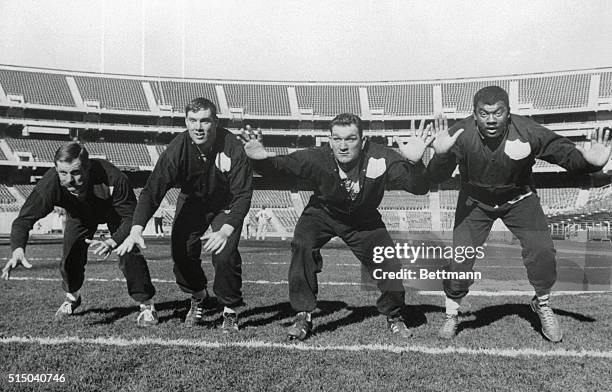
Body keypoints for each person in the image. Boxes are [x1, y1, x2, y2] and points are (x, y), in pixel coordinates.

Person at [427, 86, 611, 342]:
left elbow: (563, 153)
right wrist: (441, 156)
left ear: (509, 113)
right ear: (474, 114)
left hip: (520, 199)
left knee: (543, 250)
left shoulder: (528, 130)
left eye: (498, 113)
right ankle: (452, 313)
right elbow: (434, 177)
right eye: (484, 113)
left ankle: (542, 303)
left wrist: (590, 162)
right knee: (461, 260)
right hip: (475, 202)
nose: (491, 119)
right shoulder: (460, 133)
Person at [241, 113, 433, 340]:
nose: (342, 146)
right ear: (329, 140)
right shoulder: (317, 157)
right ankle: (303, 315)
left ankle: (395, 316)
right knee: (302, 245)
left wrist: (415, 163)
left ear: (362, 142)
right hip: (323, 213)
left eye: (350, 139)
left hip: (363, 219)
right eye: (337, 139)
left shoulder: (381, 157)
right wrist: (260, 159)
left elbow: (418, 187)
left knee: (389, 262)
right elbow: (280, 167)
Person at [115, 97, 252, 332]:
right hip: (193, 201)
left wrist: (227, 229)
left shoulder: (233, 147)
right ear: (186, 121)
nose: (198, 127)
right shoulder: (177, 149)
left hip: (225, 203)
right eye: (193, 120)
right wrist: (136, 228)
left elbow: (243, 194)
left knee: (224, 253)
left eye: (205, 121)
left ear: (215, 122)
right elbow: (152, 191)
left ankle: (229, 310)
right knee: (181, 251)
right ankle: (198, 295)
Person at [2, 142, 158, 327]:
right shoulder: (50, 184)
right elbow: (23, 220)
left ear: (88, 167)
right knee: (70, 257)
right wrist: (18, 249)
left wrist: (113, 241)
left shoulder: (114, 178)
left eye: (76, 172)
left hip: (114, 213)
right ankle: (73, 296)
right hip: (80, 215)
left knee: (128, 251)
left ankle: (147, 305)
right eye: (63, 173)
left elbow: (131, 218)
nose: (69, 180)